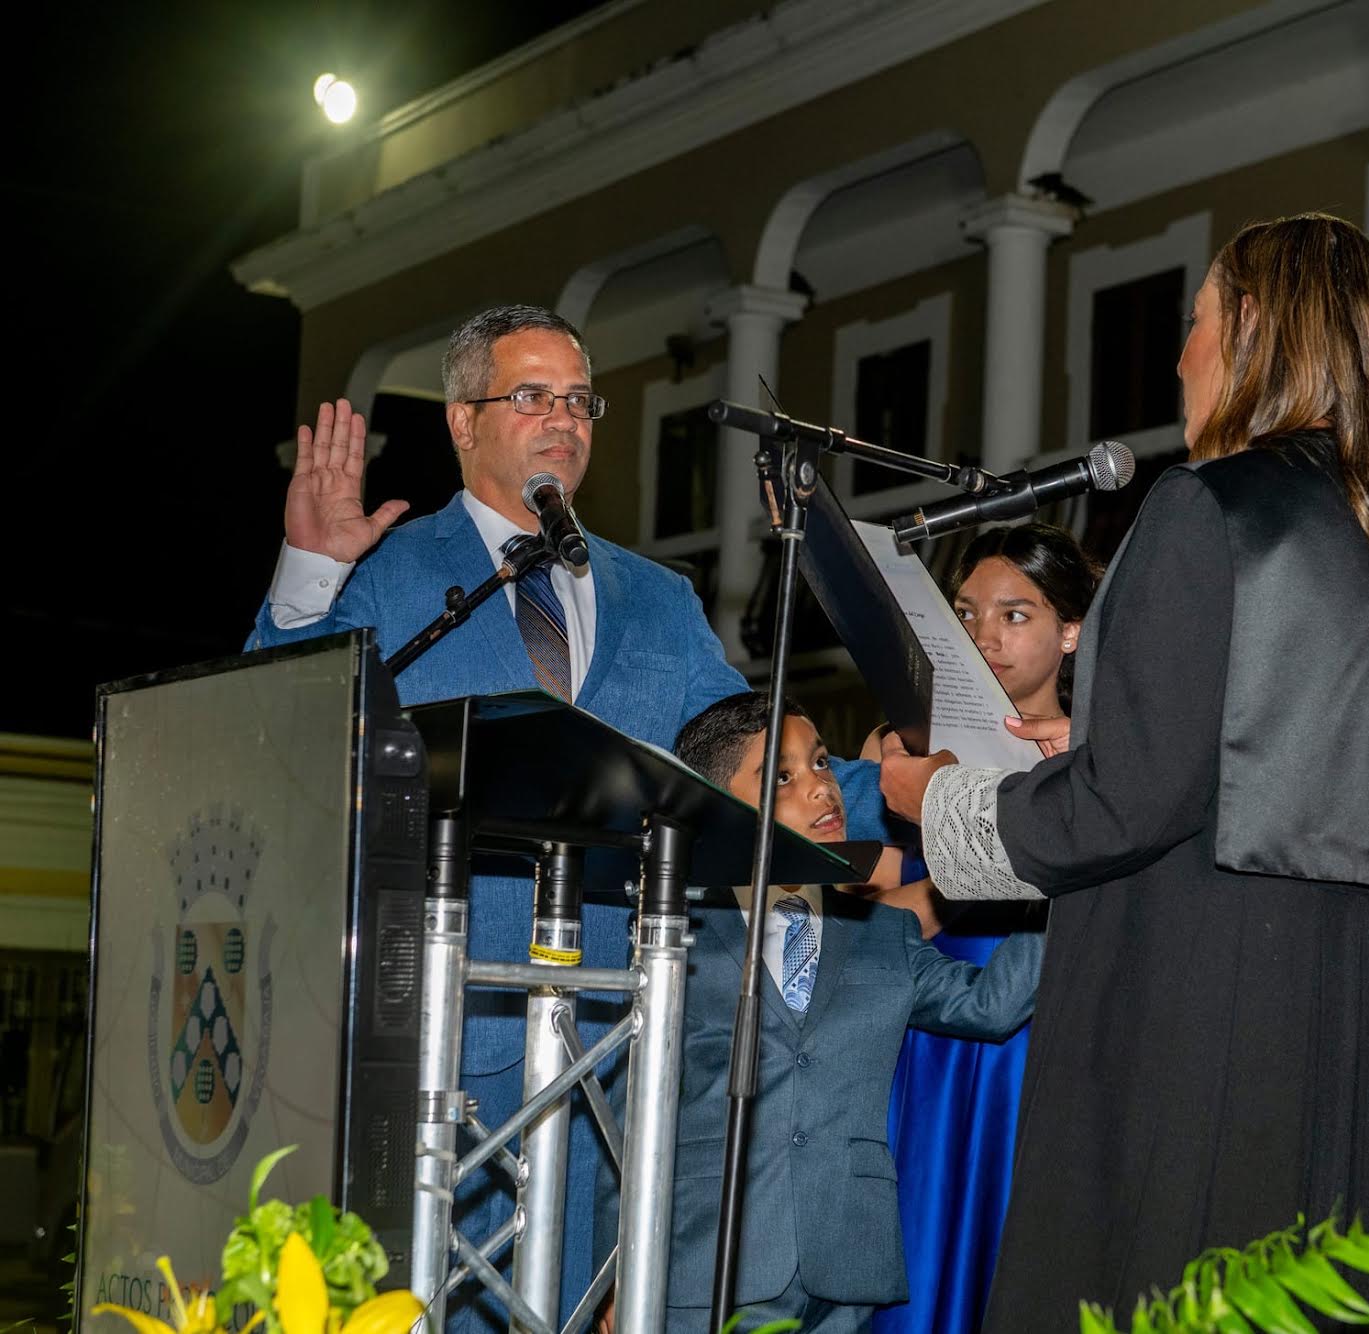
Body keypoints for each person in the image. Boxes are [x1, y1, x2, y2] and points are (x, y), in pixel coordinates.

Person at [245, 305, 886, 1330]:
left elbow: (749, 761)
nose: (564, 420)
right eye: (530, 396)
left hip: (615, 1050)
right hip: (436, 1038)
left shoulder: (657, 599)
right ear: (463, 420)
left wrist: (906, 794)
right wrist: (310, 575)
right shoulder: (389, 572)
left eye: (579, 400)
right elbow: (270, 738)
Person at [878, 212, 1369, 1331]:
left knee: (1152, 1275)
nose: (1182, 354)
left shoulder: (1205, 506)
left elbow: (1131, 802)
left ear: (1252, 336)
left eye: (1196, 322)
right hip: (1327, 990)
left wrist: (936, 797)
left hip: (1193, 987)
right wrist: (1097, 747)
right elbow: (1249, 768)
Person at [591, 692, 1043, 1334]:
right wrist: (613, 1274)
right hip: (704, 1263)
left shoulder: (881, 933)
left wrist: (1048, 877)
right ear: (716, 803)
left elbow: (991, 1008)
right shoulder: (676, 934)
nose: (821, 788)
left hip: (845, 1265)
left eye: (824, 764)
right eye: (782, 775)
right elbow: (629, 1124)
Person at [875, 523, 1101, 1334]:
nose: (984, 638)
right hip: (921, 1043)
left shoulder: (1097, 768)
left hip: (1042, 1047)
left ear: (1070, 630)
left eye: (1015, 615)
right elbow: (852, 916)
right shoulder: (904, 748)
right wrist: (947, 891)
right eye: (967, 615)